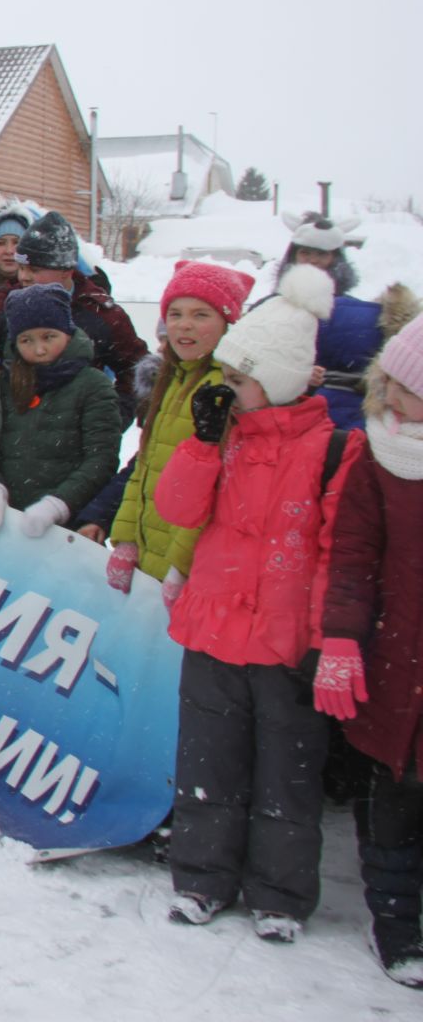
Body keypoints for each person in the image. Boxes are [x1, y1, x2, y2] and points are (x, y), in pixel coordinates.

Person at [156, 264, 345, 942]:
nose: (226, 390)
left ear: (285, 380)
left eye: (240, 379)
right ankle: (202, 878)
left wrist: (325, 638)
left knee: (285, 779)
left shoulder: (330, 452)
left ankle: (281, 894)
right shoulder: (224, 437)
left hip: (285, 642)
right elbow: (176, 507)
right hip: (212, 628)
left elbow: (333, 555)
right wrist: (202, 445)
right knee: (208, 766)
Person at [314, 314, 423, 986]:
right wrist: (343, 640)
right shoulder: (376, 455)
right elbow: (352, 556)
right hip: (394, 657)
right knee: (393, 800)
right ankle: (397, 927)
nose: (399, 400)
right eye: (396, 386)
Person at [103, 261, 255, 593]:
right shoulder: (170, 379)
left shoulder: (228, 389)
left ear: (228, 323)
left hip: (191, 570)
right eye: (175, 314)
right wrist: (126, 538)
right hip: (151, 553)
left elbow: (218, 489)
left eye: (201, 315)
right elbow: (144, 464)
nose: (184, 325)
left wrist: (181, 566)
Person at [0, 285, 120, 539]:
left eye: (49, 337)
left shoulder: (93, 385)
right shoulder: (5, 384)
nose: (39, 349)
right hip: (7, 523)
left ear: (68, 334)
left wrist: (58, 504)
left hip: (68, 530)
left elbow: (101, 458)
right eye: (27, 340)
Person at [0, 211, 149, 428]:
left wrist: (110, 420)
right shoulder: (1, 306)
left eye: (34, 269)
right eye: (21, 267)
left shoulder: (102, 314)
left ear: (66, 271)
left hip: (78, 440)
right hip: (16, 437)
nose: (24, 277)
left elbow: (136, 369)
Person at [268, 211, 416, 431]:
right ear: (293, 256)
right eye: (305, 252)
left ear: (336, 258)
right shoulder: (272, 306)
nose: (313, 260)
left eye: (322, 254)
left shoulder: (356, 310)